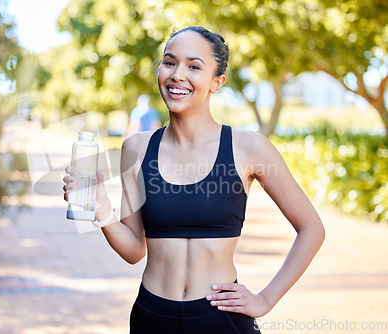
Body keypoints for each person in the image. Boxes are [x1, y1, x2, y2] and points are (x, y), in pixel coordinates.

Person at [63, 26, 325, 333]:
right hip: (153, 317)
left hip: (221, 318)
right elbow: (135, 250)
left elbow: (312, 229)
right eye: (170, 62)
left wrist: (265, 300)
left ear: (217, 82)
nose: (177, 75)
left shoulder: (248, 148)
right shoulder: (136, 147)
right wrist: (102, 212)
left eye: (194, 66)